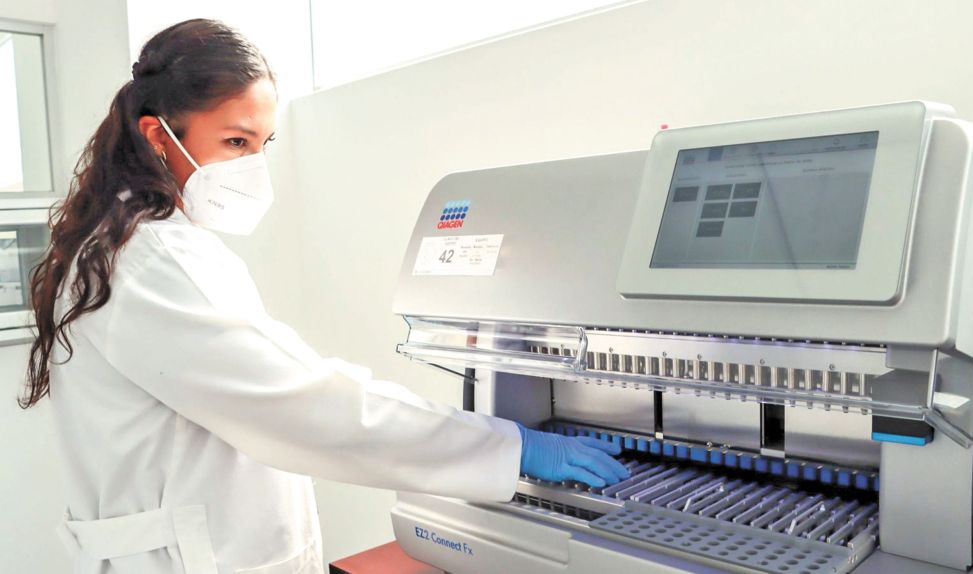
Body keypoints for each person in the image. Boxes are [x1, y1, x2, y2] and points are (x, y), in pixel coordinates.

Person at [18, 19, 628, 574]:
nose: (254, 166)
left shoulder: (131, 244)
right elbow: (303, 402)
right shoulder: (152, 258)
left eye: (264, 143)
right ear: (158, 136)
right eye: (235, 142)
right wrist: (512, 446)